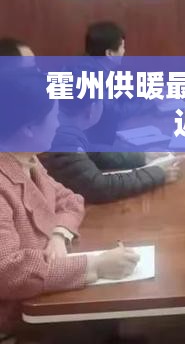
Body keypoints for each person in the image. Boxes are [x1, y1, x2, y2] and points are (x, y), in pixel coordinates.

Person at [0, 69, 139, 339]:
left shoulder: (27, 159)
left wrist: (59, 235)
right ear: (28, 128)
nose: (57, 124)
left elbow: (70, 199)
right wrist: (94, 266)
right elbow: (7, 271)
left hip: (45, 288)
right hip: (17, 316)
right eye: (53, 117)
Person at [39, 69, 183, 204]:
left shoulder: (66, 125)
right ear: (91, 109)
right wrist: (156, 174)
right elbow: (98, 187)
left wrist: (142, 157)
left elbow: (92, 152)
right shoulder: (63, 136)